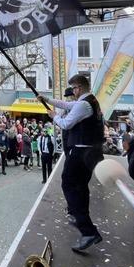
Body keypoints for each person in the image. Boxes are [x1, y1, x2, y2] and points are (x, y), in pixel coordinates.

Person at [40, 74, 105, 252]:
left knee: (68, 183)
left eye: (74, 88)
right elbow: (66, 105)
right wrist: (46, 99)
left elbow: (66, 124)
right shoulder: (89, 101)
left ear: (80, 87)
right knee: (81, 187)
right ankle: (80, 216)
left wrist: (53, 116)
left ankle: (88, 230)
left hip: (81, 151)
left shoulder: (84, 104)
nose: (73, 91)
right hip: (90, 151)